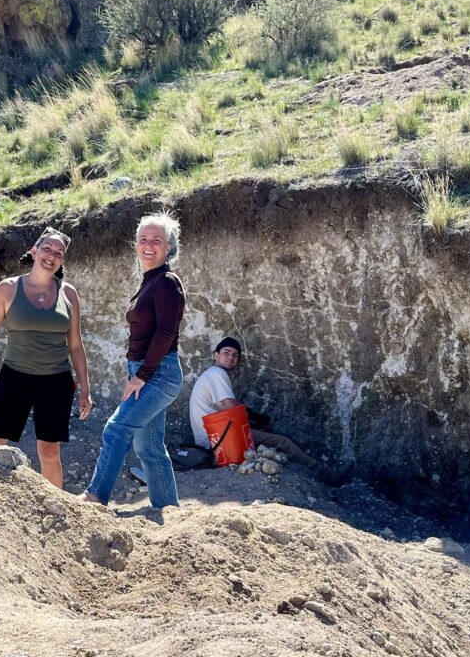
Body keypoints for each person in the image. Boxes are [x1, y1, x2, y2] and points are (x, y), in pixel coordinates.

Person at [0, 227, 93, 489]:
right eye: (47, 248)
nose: (52, 255)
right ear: (34, 251)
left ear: (62, 260)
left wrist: (85, 389)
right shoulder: (8, 288)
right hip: (15, 377)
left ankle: (57, 510)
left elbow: (76, 345)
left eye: (59, 252)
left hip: (56, 381)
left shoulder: (69, 293)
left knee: (49, 451)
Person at [80, 213, 185, 509]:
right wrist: (137, 372)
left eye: (156, 240)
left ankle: (95, 496)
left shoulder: (166, 282)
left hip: (158, 373)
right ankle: (168, 507)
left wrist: (142, 375)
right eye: (143, 239)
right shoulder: (150, 282)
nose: (148, 245)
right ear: (136, 245)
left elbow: (166, 333)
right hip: (148, 371)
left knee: (116, 429)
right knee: (149, 446)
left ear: (168, 247)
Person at [188, 336, 350, 486]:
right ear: (215, 355)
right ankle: (327, 476)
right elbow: (232, 407)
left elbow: (229, 409)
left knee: (262, 432)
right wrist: (258, 418)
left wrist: (256, 420)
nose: (231, 357)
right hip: (219, 441)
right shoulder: (217, 373)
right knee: (282, 442)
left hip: (211, 438)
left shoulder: (209, 375)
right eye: (226, 353)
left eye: (235, 355)